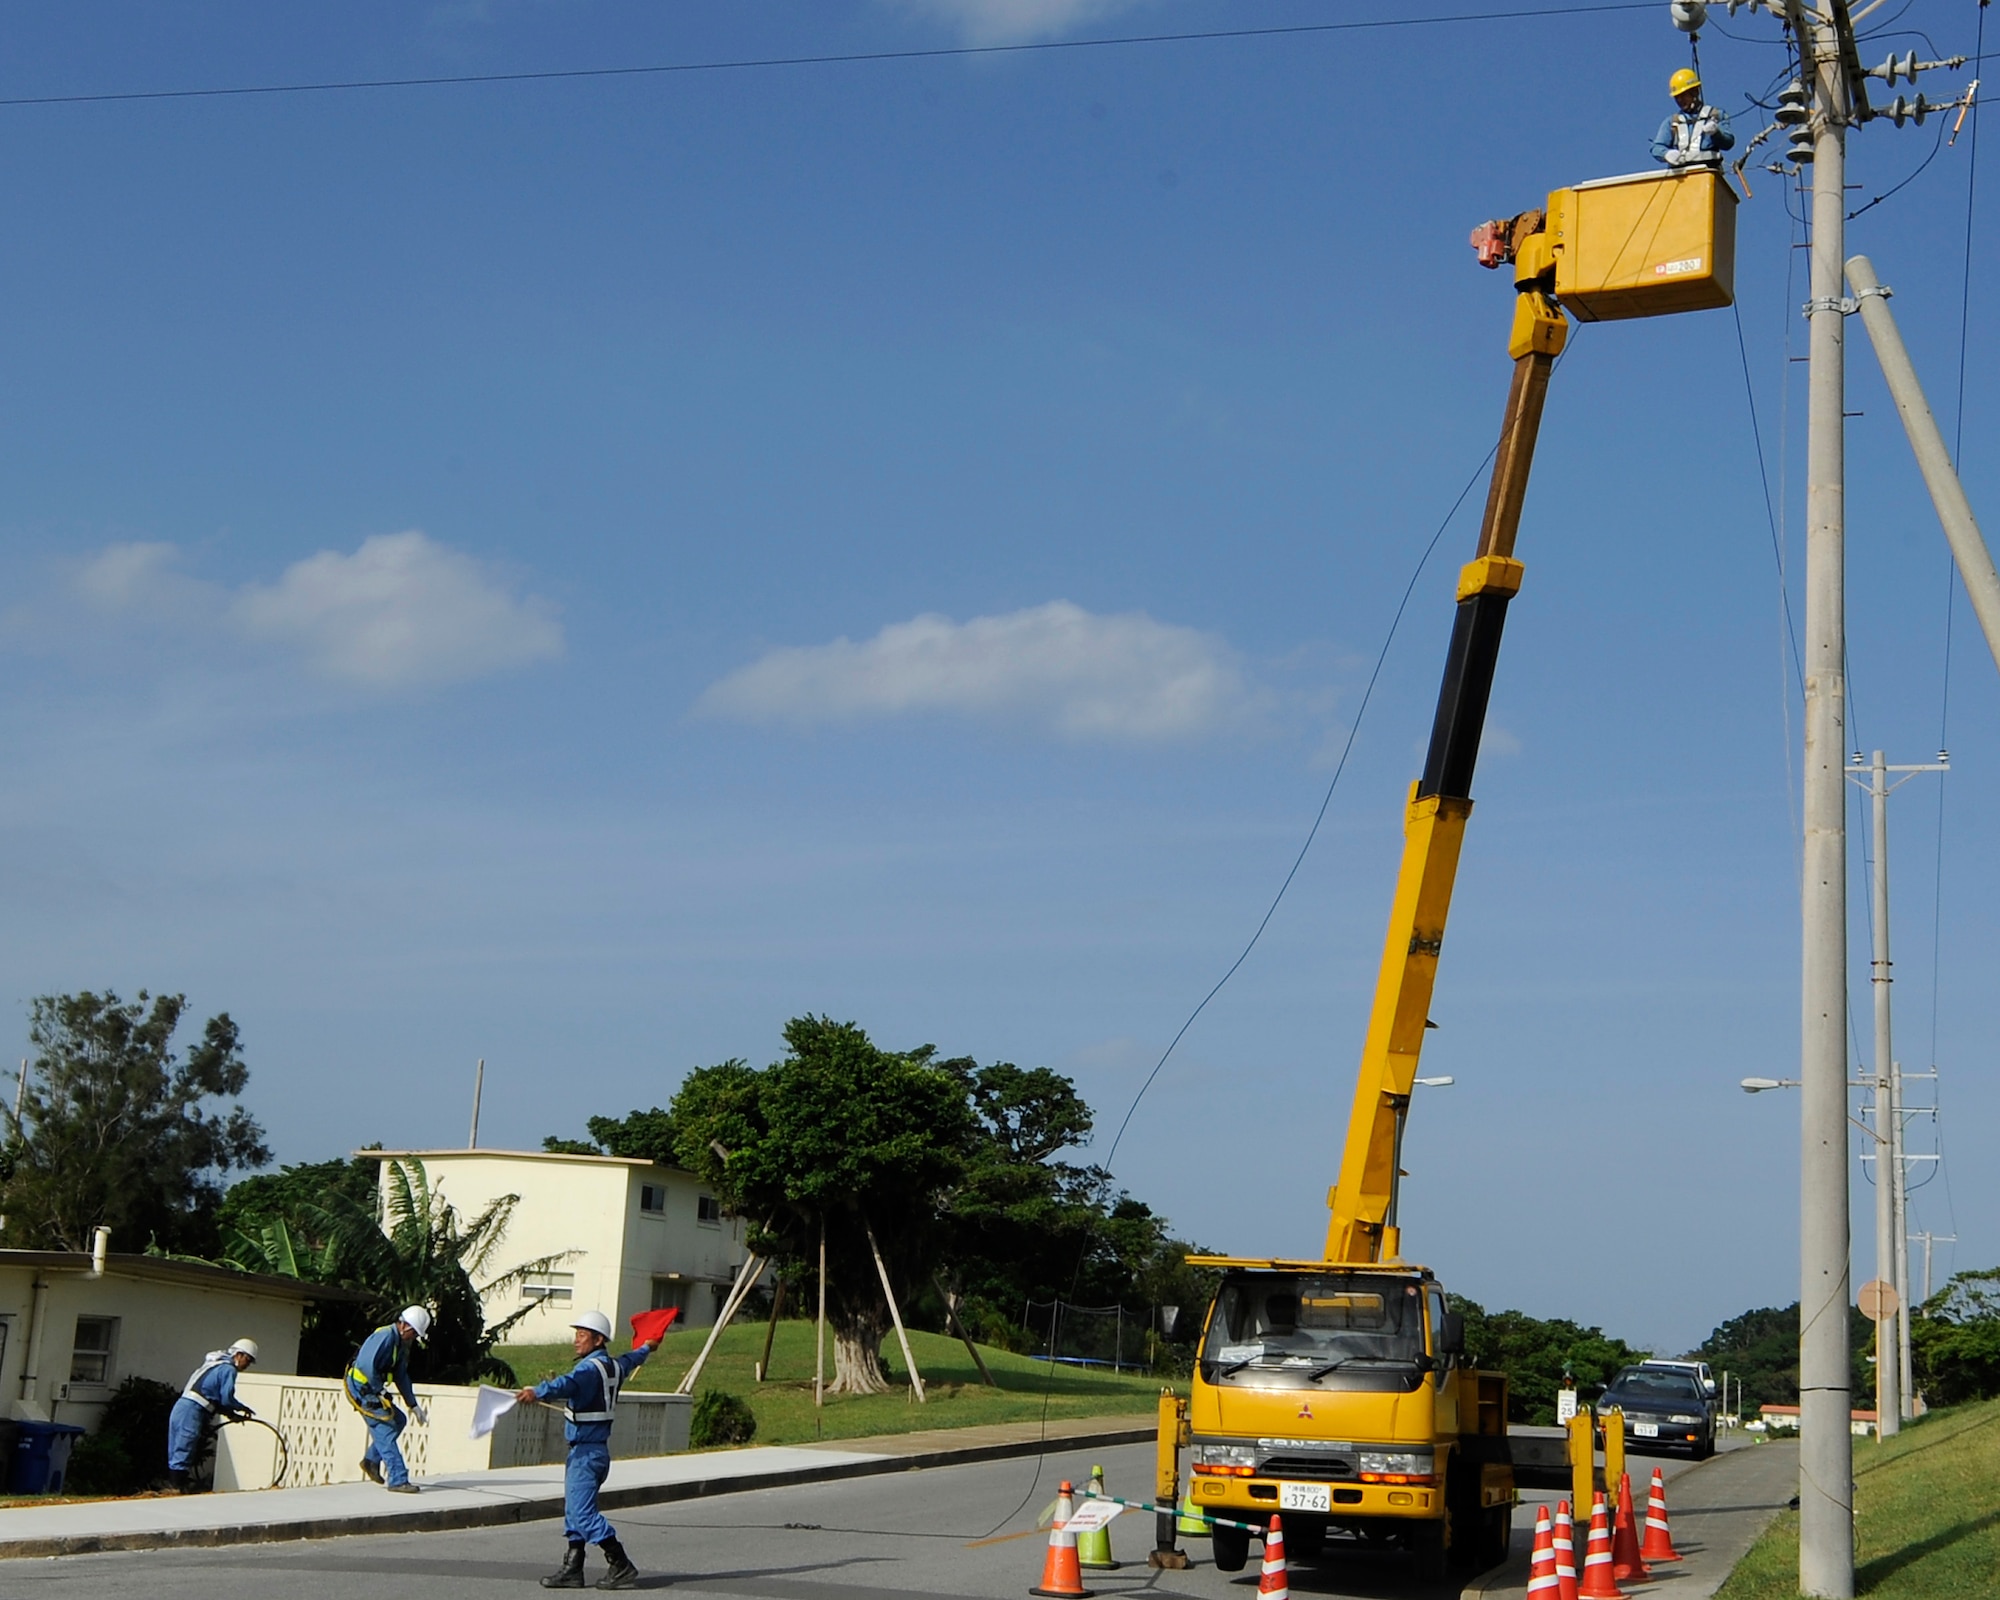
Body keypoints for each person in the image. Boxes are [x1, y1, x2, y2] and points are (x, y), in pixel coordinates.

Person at [517, 1310, 663, 1590]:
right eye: (576, 1334)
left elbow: (566, 1384)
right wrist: (648, 1346)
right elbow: (633, 1358)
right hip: (594, 1452)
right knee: (574, 1511)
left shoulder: (587, 1370)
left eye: (582, 1335)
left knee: (583, 1514)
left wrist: (537, 1391)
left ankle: (620, 1563)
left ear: (598, 1340)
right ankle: (573, 1569)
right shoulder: (615, 1366)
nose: (576, 1341)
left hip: (585, 1453)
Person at [344, 1305, 432, 1494]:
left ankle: (371, 1460)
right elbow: (366, 1366)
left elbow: (401, 1375)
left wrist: (413, 1405)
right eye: (415, 1334)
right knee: (384, 1428)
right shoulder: (385, 1337)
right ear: (405, 1327)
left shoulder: (398, 1343)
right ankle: (398, 1479)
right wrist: (379, 1390)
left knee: (399, 1420)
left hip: (371, 1390)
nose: (415, 1338)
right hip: (361, 1390)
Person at [165, 1338, 259, 1492]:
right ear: (239, 1355)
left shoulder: (215, 1365)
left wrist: (231, 1415)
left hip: (182, 1407)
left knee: (177, 1447)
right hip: (193, 1409)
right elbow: (226, 1399)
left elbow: (214, 1400)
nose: (247, 1365)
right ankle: (177, 1487)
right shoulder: (229, 1370)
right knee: (185, 1446)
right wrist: (241, 1408)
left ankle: (175, 1484)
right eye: (248, 1360)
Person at [1652, 67, 1734, 168]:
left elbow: (1728, 143)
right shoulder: (1672, 122)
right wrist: (1666, 154)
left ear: (1695, 92)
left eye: (1683, 95)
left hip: (1707, 172)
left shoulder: (1716, 115)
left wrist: (1716, 133)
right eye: (1677, 97)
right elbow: (1656, 147)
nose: (1680, 100)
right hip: (1680, 175)